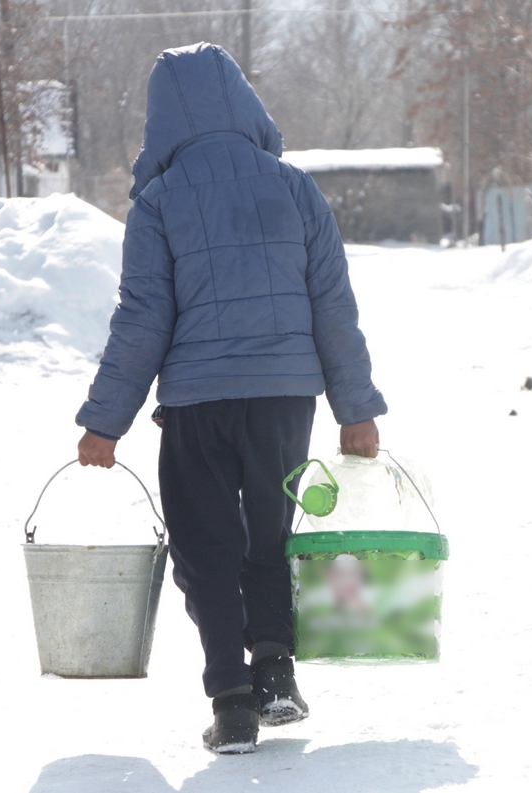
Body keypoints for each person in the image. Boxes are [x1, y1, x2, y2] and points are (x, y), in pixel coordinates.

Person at [74, 42, 387, 754]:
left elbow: (142, 319)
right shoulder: (295, 187)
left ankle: (232, 699)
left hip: (198, 406)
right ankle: (275, 665)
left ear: (161, 122)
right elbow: (333, 306)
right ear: (245, 103)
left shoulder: (158, 200)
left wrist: (105, 422)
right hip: (284, 400)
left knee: (206, 545)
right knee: (271, 532)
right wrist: (356, 409)